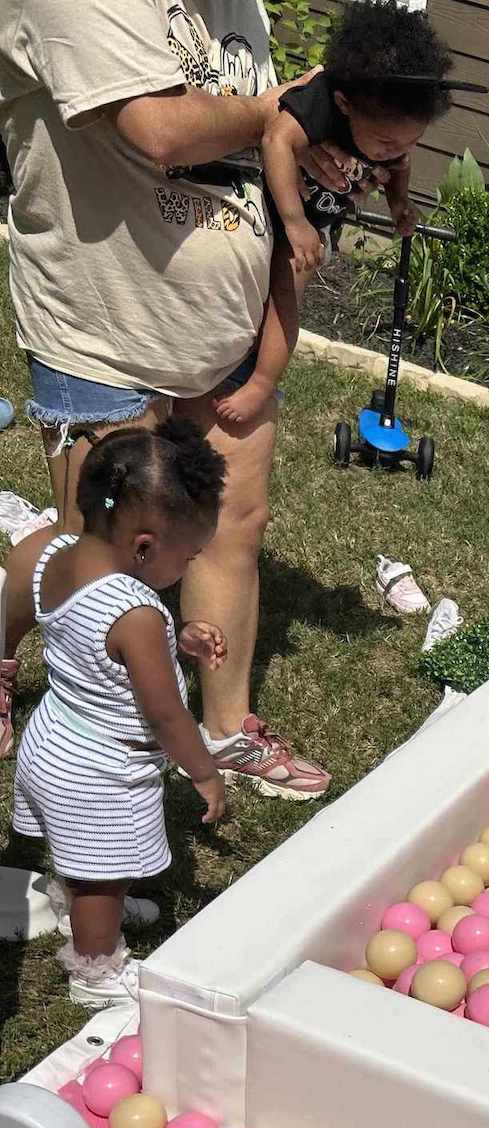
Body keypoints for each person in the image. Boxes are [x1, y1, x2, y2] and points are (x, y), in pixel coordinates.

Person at [0, 0, 343, 797]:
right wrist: (284, 114)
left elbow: (248, 143)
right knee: (96, 548)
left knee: (230, 526)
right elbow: (160, 129)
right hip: (102, 329)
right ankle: (37, 680)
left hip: (219, 332)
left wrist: (313, 145)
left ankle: (225, 732)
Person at [7, 423, 230, 1008]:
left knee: (80, 848)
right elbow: (165, 714)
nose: (188, 566)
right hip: (99, 769)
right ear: (146, 547)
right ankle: (96, 970)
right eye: (190, 555)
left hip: (53, 737)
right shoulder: (136, 615)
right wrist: (204, 771)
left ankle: (76, 898)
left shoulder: (44, 552)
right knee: (103, 871)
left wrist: (175, 640)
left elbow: (95, 642)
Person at [218, 1, 453, 428]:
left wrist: (399, 203)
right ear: (345, 105)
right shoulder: (323, 99)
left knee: (286, 294)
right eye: (385, 141)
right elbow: (276, 140)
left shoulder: (392, 135)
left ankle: (262, 382)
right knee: (245, 288)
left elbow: (399, 167)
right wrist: (294, 221)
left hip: (312, 226)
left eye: (410, 142)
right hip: (272, 210)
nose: (395, 151)